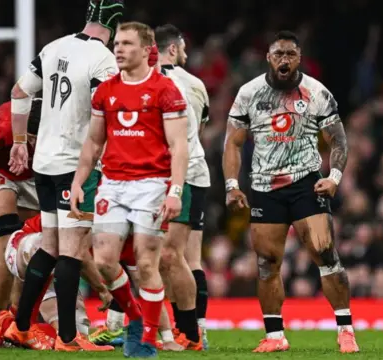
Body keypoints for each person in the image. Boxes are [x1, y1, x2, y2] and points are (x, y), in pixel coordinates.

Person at [222, 31, 359, 353]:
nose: (284, 60)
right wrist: (231, 185)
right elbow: (233, 143)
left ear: (300, 58)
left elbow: (339, 140)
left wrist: (335, 177)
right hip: (265, 187)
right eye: (278, 54)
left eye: (290, 55)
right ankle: (274, 336)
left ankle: (346, 330)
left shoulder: (316, 92)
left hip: (306, 184)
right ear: (268, 58)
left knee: (326, 256)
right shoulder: (248, 93)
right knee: (267, 264)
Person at [4, 0, 124, 351]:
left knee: (51, 247)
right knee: (71, 252)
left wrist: (19, 143)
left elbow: (19, 92)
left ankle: (21, 326)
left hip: (43, 163)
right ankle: (69, 338)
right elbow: (108, 106)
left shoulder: (53, 47)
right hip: (76, 166)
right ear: (114, 26)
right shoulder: (103, 58)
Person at [71, 21, 189, 358]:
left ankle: (148, 338)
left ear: (146, 48)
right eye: (117, 43)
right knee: (105, 261)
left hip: (151, 184)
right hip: (113, 184)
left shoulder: (165, 90)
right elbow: (94, 142)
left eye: (126, 44)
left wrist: (175, 191)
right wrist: (78, 182)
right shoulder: (106, 91)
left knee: (146, 263)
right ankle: (138, 317)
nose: (118, 49)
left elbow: (179, 147)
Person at [155, 24, 211, 349]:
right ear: (173, 49)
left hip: (184, 174)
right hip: (180, 173)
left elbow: (186, 138)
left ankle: (190, 331)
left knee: (173, 256)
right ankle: (188, 328)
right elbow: (200, 128)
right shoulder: (194, 85)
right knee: (177, 258)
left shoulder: (169, 84)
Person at [0, 98, 42, 348]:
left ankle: (16, 322)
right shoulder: (6, 121)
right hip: (2, 174)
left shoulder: (63, 121)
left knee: (25, 251)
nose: (35, 143)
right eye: (31, 138)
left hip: (36, 180)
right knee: (6, 245)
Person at [3, 214, 113, 350]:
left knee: (77, 329)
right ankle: (21, 325)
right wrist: (102, 289)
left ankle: (14, 331)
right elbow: (82, 256)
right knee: (51, 247)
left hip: (55, 265)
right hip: (24, 243)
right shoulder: (90, 210)